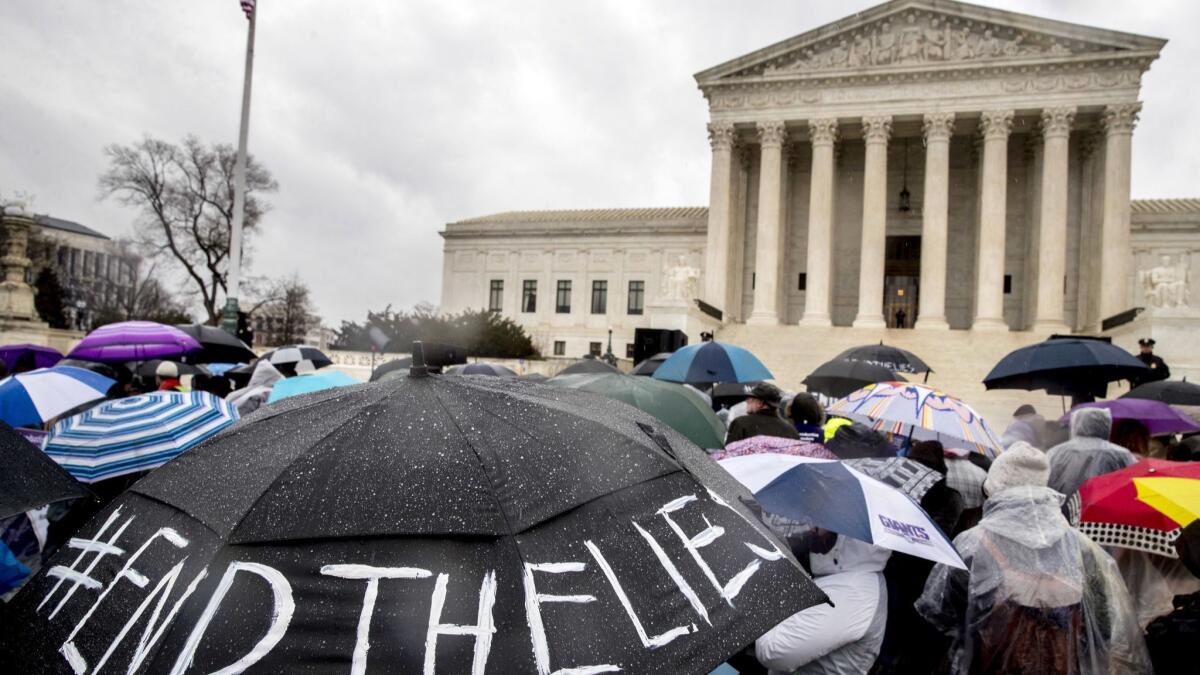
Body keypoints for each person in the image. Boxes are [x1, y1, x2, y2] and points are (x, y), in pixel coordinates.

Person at [916, 442, 1150, 674]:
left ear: (993, 489)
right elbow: (1102, 627)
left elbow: (939, 614)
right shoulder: (1084, 549)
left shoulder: (971, 545)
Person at [876, 441, 963, 674]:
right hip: (903, 575)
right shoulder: (900, 492)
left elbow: (933, 536)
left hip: (917, 577)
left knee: (905, 633)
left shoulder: (948, 498)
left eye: (919, 465)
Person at [756, 531, 891, 674]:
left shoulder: (851, 591)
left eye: (826, 528)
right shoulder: (850, 577)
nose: (814, 530)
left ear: (846, 539)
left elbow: (774, 652)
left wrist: (767, 594)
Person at [1046, 407, 1137, 499]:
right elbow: (1134, 482)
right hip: (1106, 506)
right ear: (1107, 425)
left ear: (1076, 424)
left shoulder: (1056, 452)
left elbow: (1046, 483)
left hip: (1064, 508)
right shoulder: (1121, 454)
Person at [725, 383, 800, 444]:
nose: (746, 401)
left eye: (750, 399)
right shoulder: (790, 430)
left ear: (760, 403)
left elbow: (729, 454)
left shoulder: (741, 424)